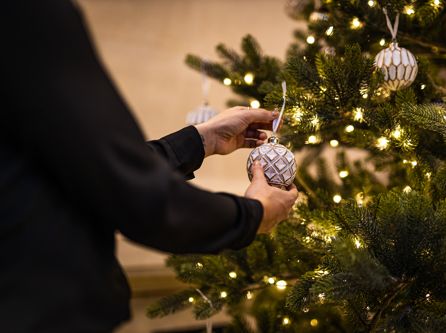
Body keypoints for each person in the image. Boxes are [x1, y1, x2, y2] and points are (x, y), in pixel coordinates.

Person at [0, 1, 298, 333]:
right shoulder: (24, 13)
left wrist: (199, 141)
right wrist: (253, 214)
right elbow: (132, 193)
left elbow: (89, 168)